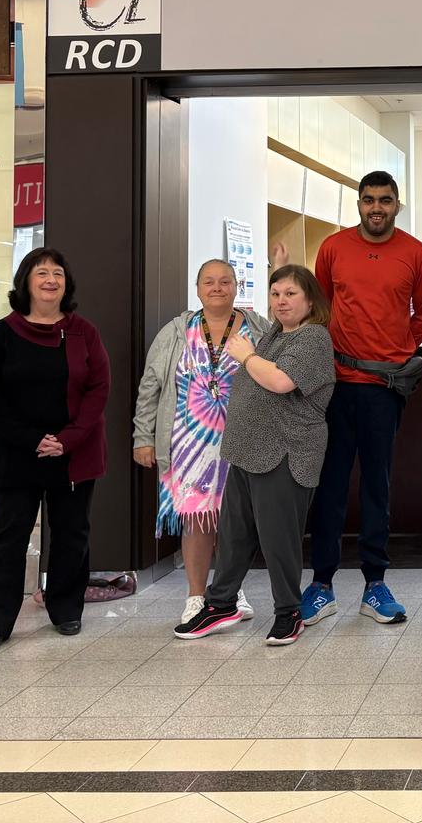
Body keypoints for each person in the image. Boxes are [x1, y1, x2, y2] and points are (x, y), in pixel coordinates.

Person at [177, 265, 335, 645]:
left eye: (291, 294)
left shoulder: (314, 337)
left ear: (310, 300)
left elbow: (281, 381)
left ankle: (288, 613)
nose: (281, 301)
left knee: (279, 539)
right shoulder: (275, 335)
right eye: (275, 293)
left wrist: (247, 356)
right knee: (234, 536)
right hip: (246, 452)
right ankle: (221, 603)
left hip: (284, 452)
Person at [304, 172, 422, 626]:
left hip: (385, 389)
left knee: (378, 485)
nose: (376, 207)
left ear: (397, 205)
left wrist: (398, 351)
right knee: (331, 485)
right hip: (337, 384)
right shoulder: (332, 248)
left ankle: (375, 585)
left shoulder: (415, 253)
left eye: (385, 200)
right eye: (368, 200)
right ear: (358, 203)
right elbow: (319, 308)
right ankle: (321, 585)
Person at [0, 248, 111, 651]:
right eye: (41, 273)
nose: (51, 280)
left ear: (66, 284)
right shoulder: (1, 333)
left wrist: (67, 439)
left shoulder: (83, 331)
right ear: (26, 281)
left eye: (58, 273)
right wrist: (31, 439)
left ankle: (66, 609)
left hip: (73, 452)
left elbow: (98, 388)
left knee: (72, 534)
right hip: (15, 452)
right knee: (6, 539)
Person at [134, 259, 266, 625]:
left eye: (225, 281)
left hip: (244, 440)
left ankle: (229, 591)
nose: (217, 287)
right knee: (197, 520)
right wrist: (143, 437)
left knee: (236, 521)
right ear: (197, 289)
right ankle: (195, 597)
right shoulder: (176, 332)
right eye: (209, 281)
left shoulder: (258, 329)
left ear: (237, 287)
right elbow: (150, 386)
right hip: (189, 443)